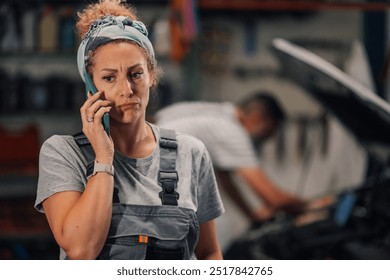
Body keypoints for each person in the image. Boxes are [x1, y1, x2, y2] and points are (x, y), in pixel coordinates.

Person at [34, 0, 224, 260]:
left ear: (152, 76)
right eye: (109, 78)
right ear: (90, 86)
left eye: (135, 74)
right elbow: (80, 250)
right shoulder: (63, 154)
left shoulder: (191, 152)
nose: (126, 90)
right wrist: (103, 158)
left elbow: (209, 253)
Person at [156, 93, 306, 223]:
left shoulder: (219, 113)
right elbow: (273, 199)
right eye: (271, 129)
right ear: (257, 117)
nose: (270, 137)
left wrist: (251, 216)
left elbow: (226, 179)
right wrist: (312, 205)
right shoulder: (232, 132)